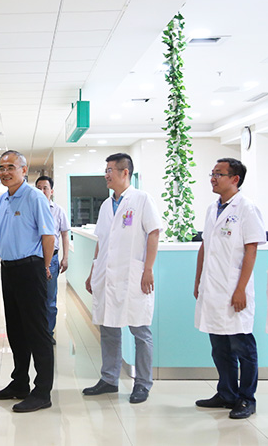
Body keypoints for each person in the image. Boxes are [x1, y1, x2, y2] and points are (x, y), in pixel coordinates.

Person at [84, 153, 162, 404]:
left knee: (140, 330)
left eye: (110, 170)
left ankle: (143, 384)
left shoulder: (141, 199)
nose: (106, 175)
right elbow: (102, 241)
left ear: (125, 172)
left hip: (133, 276)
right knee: (108, 328)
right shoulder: (106, 205)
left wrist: (148, 269)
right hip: (107, 275)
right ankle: (109, 379)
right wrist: (93, 270)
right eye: (105, 170)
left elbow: (154, 233)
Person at [194, 158, 265, 419]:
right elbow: (205, 246)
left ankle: (246, 399)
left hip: (234, 289)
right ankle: (226, 393)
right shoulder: (212, 208)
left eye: (219, 174)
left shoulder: (246, 208)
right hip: (212, 289)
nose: (213, 178)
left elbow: (251, 249)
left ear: (235, 179)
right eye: (212, 173)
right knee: (219, 347)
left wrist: (241, 289)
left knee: (242, 347)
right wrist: (198, 280)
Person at [0, 150, 56, 413]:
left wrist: (45, 266)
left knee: (37, 331)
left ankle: (42, 391)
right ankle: (19, 383)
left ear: (24, 170)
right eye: (2, 168)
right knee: (15, 330)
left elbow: (48, 236)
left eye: (10, 167)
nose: (5, 172)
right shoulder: (2, 199)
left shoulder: (35, 197)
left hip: (30, 269)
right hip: (9, 270)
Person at [35, 175, 71, 344]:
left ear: (52, 191)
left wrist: (65, 258)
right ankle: (36, 332)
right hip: (34, 259)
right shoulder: (31, 209)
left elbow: (65, 234)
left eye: (45, 188)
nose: (42, 191)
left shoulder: (58, 210)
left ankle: (48, 333)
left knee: (50, 298)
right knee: (35, 298)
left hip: (53, 259)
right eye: (39, 188)